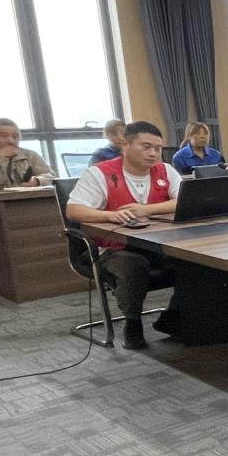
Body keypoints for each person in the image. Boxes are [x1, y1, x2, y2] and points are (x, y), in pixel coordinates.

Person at [65, 121, 182, 350]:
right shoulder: (100, 173)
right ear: (125, 145)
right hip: (112, 248)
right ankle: (133, 323)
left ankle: (174, 317)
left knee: (197, 262)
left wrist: (145, 210)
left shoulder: (166, 170)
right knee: (134, 265)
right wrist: (109, 215)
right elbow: (74, 210)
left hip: (158, 243)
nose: (153, 153)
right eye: (146, 146)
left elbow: (183, 200)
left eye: (158, 148)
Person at [0, 118, 53, 191]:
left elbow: (50, 175)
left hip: (29, 198)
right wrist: (0, 157)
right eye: (4, 136)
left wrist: (37, 180)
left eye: (15, 136)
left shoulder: (29, 155)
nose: (11, 141)